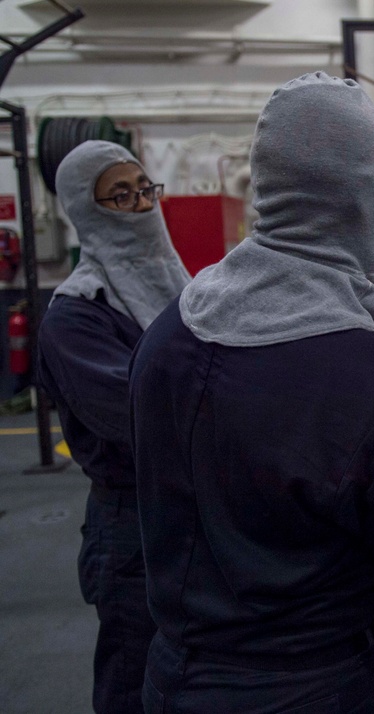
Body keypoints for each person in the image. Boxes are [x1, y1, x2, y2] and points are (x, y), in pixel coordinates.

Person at [128, 72, 374, 714]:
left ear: (266, 182)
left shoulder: (168, 334)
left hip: (173, 678)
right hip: (323, 687)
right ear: (372, 193)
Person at [36, 140, 191, 714]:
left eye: (144, 190)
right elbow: (136, 413)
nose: (139, 207)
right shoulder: (77, 315)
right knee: (136, 673)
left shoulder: (184, 290)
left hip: (193, 510)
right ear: (85, 210)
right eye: (118, 197)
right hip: (132, 526)